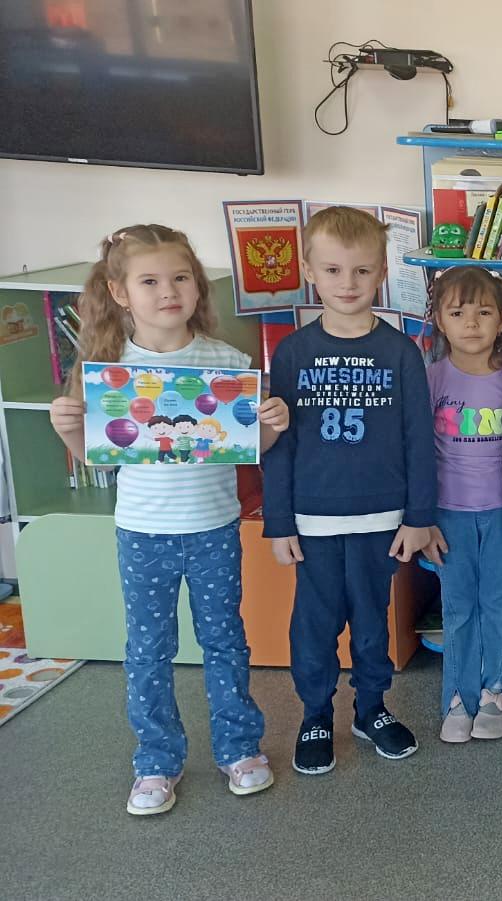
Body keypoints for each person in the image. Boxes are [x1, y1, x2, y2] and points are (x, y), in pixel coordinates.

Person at [49, 225, 288, 814]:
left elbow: (246, 447)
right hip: (143, 532)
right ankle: (156, 761)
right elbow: (98, 458)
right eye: (150, 281)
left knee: (225, 640)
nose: (168, 291)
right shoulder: (108, 368)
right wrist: (69, 430)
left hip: (213, 529)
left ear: (197, 285)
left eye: (180, 277)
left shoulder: (225, 362)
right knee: (149, 649)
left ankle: (239, 748)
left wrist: (270, 428)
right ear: (120, 292)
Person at [263, 207, 437, 775]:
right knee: (313, 627)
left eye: (362, 271)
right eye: (334, 270)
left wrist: (419, 516)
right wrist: (279, 522)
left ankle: (371, 708)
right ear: (309, 270)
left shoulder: (401, 352)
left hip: (380, 518)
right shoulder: (292, 352)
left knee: (370, 623)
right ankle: (316, 714)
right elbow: (278, 442)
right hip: (312, 519)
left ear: (382, 271)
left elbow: (419, 439)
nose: (348, 284)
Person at [422, 267, 502, 743]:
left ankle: (496, 693)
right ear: (440, 320)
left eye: (483, 313)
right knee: (458, 608)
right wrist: (421, 520)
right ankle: (458, 698)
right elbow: (415, 452)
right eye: (458, 313)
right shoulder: (430, 377)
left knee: (499, 605)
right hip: (448, 515)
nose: (471, 323)